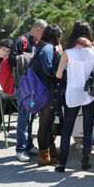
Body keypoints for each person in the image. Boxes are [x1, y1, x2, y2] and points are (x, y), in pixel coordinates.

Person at [54, 21, 94, 173]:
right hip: (90, 93)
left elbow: (58, 74)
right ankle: (85, 161)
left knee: (67, 130)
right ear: (89, 33)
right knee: (88, 130)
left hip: (72, 94)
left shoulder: (68, 52)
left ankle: (62, 163)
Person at [8, 19, 47, 162]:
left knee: (30, 117)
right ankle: (21, 149)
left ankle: (29, 145)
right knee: (24, 117)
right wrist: (33, 58)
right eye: (44, 32)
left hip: (32, 88)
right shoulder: (21, 41)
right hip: (23, 88)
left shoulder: (37, 43)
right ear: (38, 30)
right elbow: (11, 60)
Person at [30, 24, 62, 166]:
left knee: (48, 124)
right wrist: (59, 73)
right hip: (46, 91)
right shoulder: (48, 48)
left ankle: (50, 151)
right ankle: (43, 156)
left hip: (42, 90)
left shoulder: (42, 47)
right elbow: (48, 69)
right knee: (44, 124)